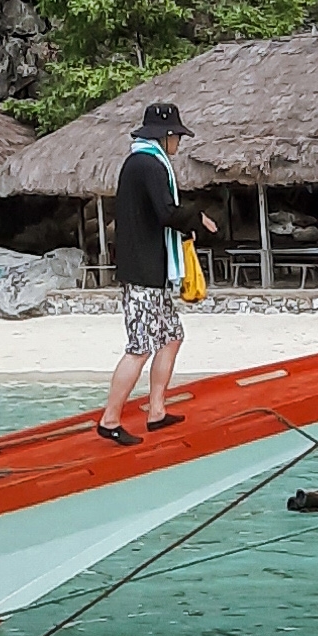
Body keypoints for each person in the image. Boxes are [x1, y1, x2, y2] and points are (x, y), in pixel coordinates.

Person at [96, 101, 221, 447]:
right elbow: (166, 213)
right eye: (177, 136)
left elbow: (159, 215)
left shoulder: (143, 163)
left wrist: (189, 223)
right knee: (139, 347)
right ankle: (109, 420)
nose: (179, 143)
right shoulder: (148, 165)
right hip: (142, 271)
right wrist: (198, 218)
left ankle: (156, 410)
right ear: (164, 136)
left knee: (171, 336)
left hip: (150, 269)